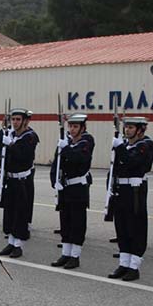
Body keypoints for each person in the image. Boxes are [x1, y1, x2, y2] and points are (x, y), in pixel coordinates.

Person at [107, 117, 153, 281]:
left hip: (135, 190)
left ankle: (134, 266)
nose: (127, 130)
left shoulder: (147, 145)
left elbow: (132, 162)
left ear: (141, 130)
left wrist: (120, 148)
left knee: (135, 227)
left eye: (131, 127)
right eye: (126, 127)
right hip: (121, 189)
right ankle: (124, 263)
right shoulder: (126, 145)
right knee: (121, 226)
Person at [51, 113, 95, 269]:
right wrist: (54, 180)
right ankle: (65, 253)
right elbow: (56, 162)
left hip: (78, 188)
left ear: (82, 127)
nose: (72, 129)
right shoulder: (66, 141)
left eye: (75, 126)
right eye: (70, 126)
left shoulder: (87, 141)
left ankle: (75, 255)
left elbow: (79, 158)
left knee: (77, 222)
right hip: (65, 187)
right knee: (65, 221)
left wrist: (66, 148)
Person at [0, 108, 40, 259]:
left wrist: (11, 146)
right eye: (13, 119)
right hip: (10, 179)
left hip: (22, 181)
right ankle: (11, 242)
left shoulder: (30, 137)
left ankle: (18, 245)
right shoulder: (11, 135)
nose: (15, 122)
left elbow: (24, 156)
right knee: (9, 212)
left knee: (20, 213)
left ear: (25, 121)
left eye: (18, 119)